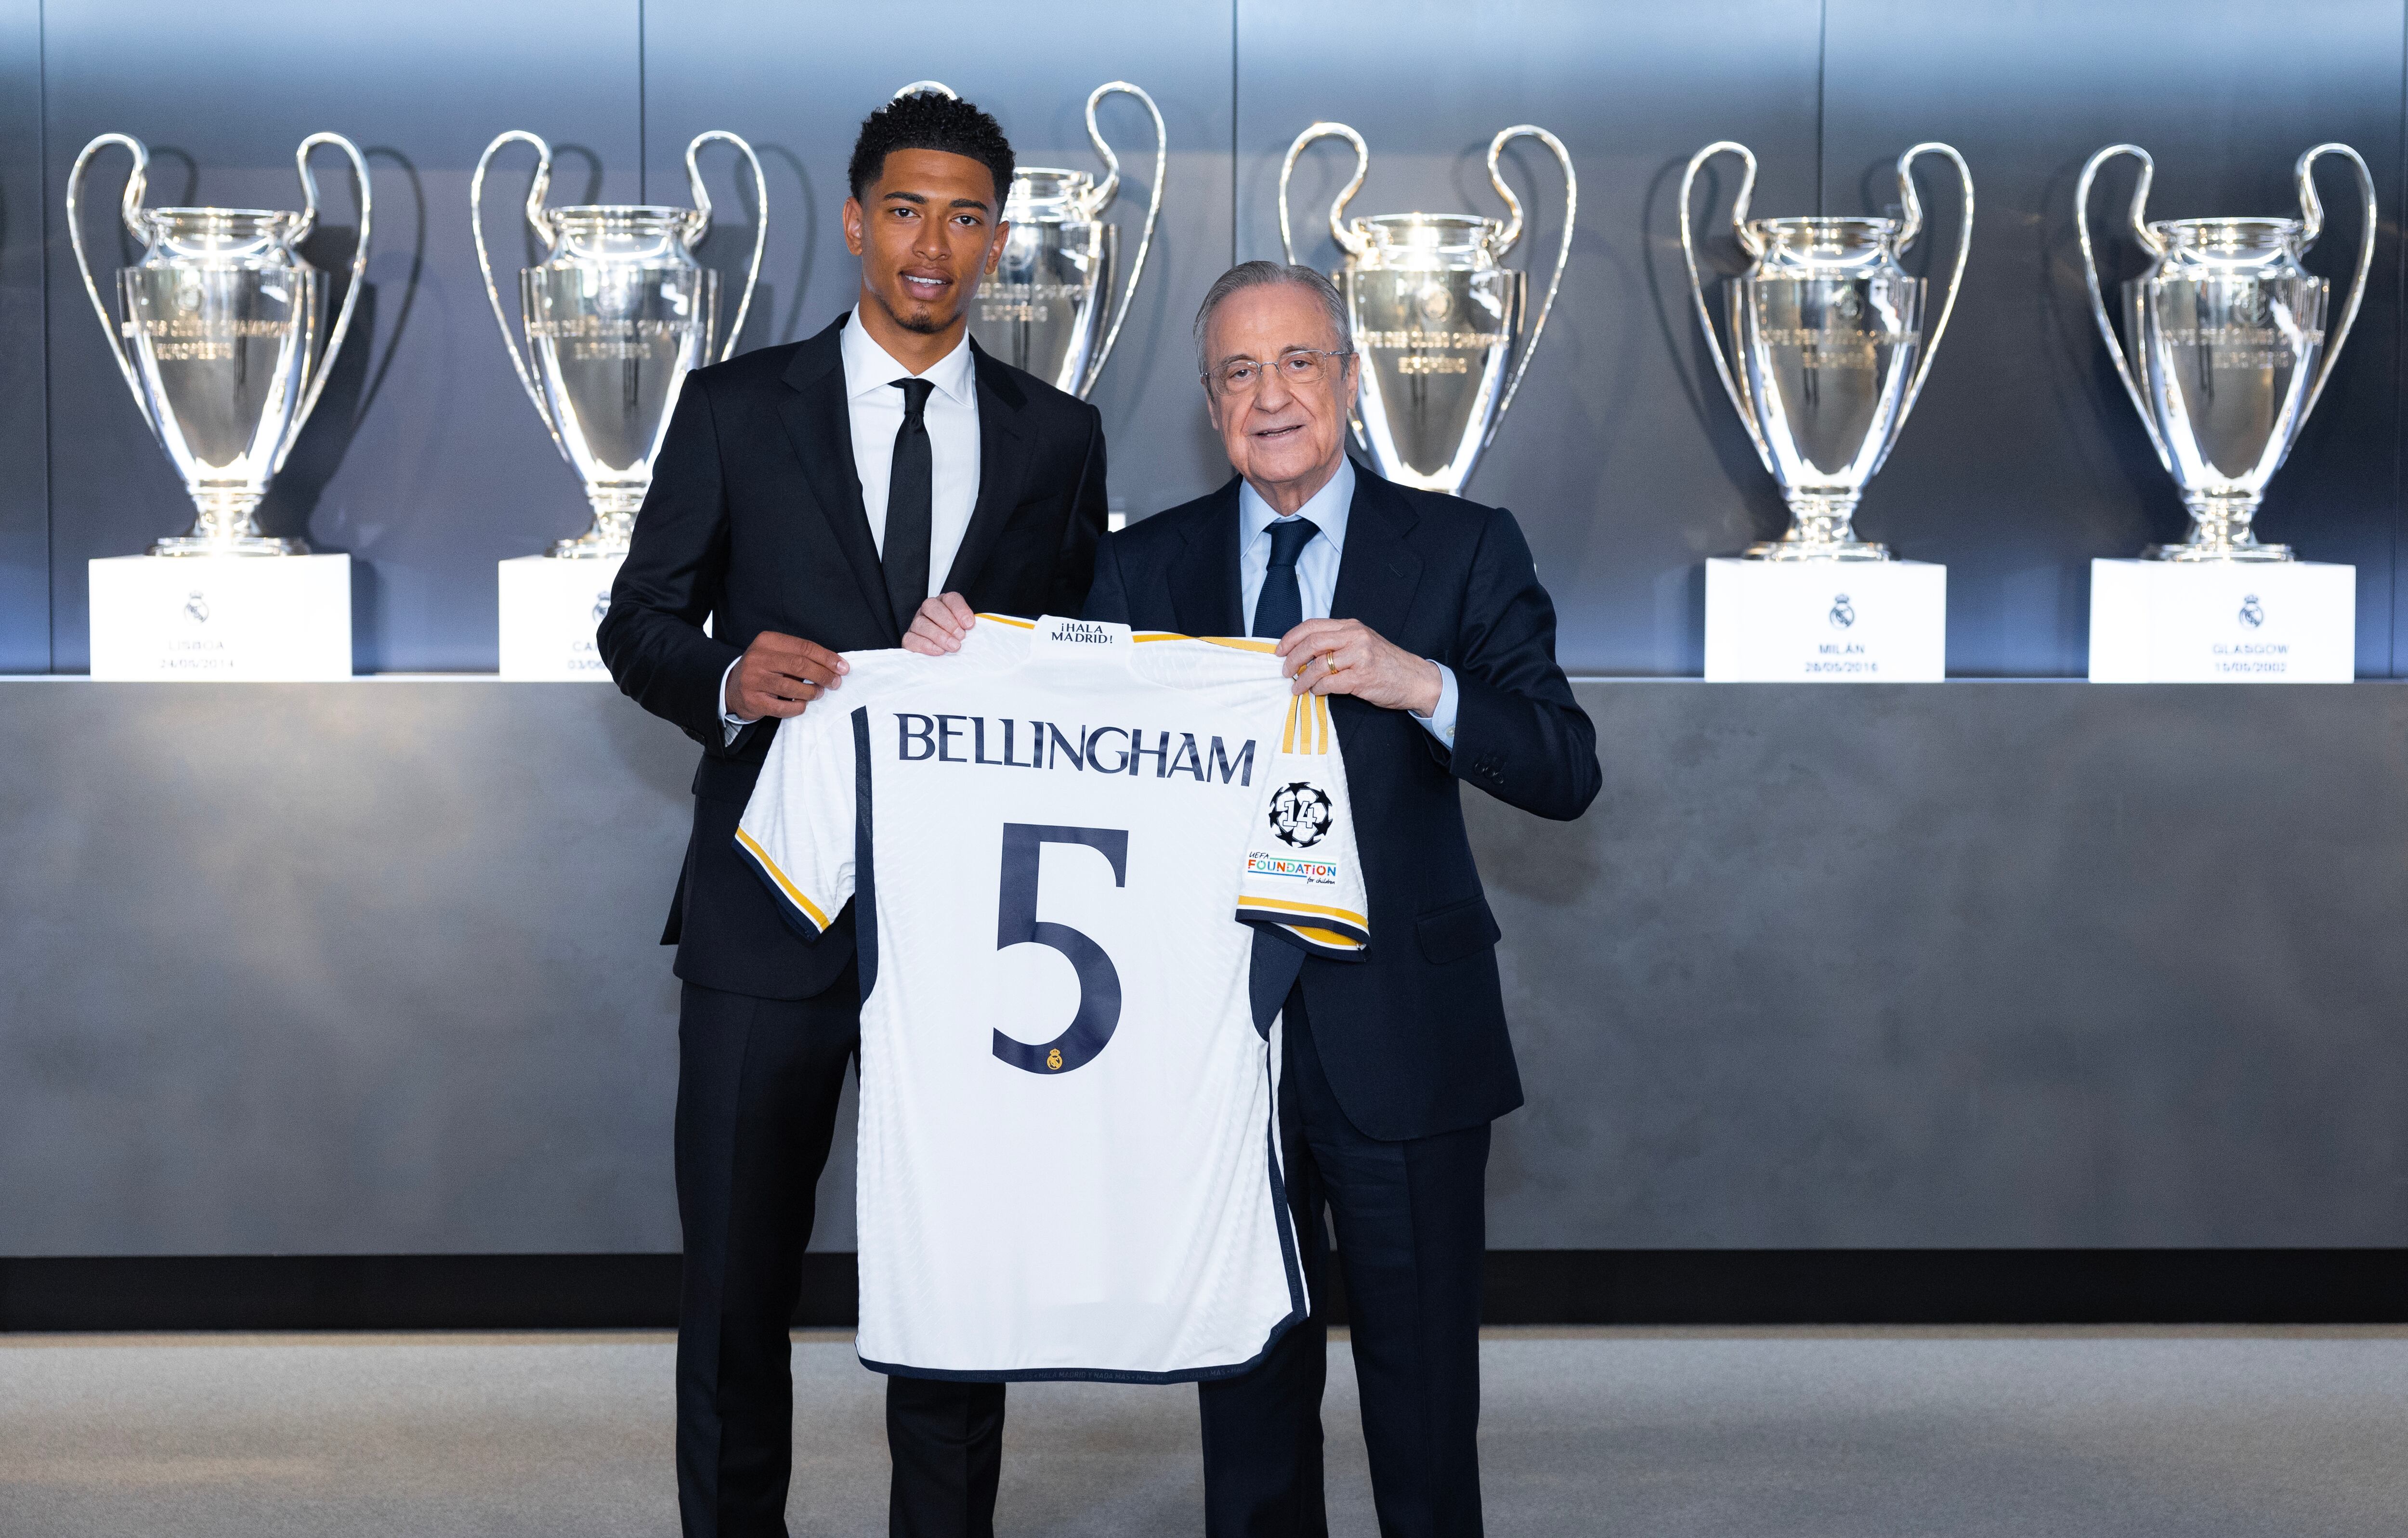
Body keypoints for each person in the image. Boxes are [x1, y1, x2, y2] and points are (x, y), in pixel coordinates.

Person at [916, 259, 1596, 1536]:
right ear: (1210, 403)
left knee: (1424, 1407)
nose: (1270, 394)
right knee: (1248, 1406)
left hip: (1405, 1036)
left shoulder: (1461, 548)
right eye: (1238, 371)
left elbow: (1566, 765)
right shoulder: (1143, 567)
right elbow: (1060, 738)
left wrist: (1420, 682)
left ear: (1348, 378)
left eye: (1296, 362)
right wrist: (961, 662)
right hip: (1213, 1058)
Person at [598, 89, 1107, 1538]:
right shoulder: (734, 407)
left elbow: (1076, 668)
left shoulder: (1058, 438)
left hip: (972, 928)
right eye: (904, 210)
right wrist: (727, 677)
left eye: (963, 217)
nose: (930, 244)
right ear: (854, 220)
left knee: (952, 1288)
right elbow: (636, 624)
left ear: (998, 240)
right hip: (767, 910)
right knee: (737, 1288)